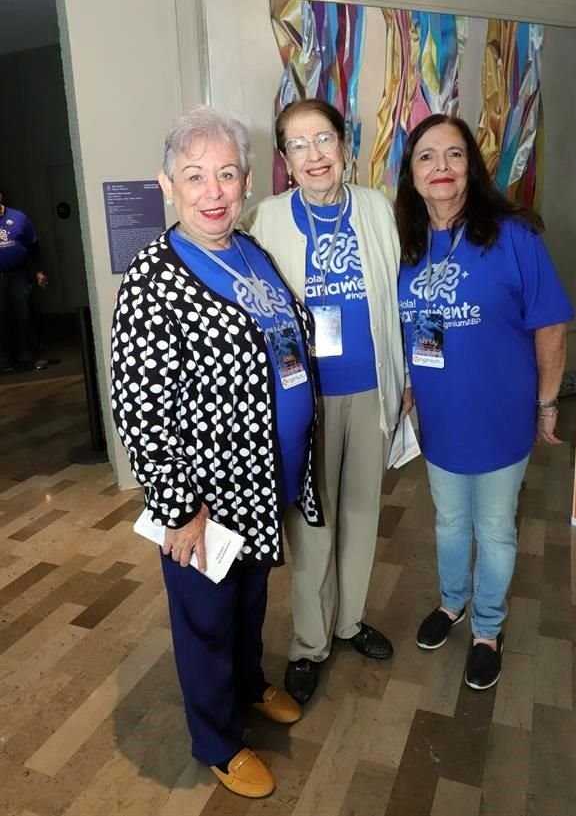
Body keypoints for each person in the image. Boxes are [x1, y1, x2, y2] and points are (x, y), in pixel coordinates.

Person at [110, 106, 324, 799]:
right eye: (194, 175)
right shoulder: (154, 280)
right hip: (207, 499)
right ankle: (219, 739)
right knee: (205, 619)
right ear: (167, 185)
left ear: (247, 179)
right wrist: (180, 510)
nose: (213, 191)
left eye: (226, 174)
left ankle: (251, 683)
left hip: (262, 484)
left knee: (249, 601)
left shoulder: (248, 248)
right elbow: (141, 410)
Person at [396, 114, 573, 691]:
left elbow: (550, 326)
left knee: (494, 527)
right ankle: (452, 604)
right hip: (440, 417)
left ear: (471, 165)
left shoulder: (511, 235)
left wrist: (547, 404)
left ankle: (488, 629)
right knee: (449, 519)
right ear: (412, 173)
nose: (440, 168)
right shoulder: (407, 243)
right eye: (426, 157)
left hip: (500, 415)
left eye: (453, 155)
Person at [244, 98, 409, 705]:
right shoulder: (266, 220)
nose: (313, 155)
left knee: (363, 510)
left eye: (323, 141)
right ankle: (310, 642)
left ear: (344, 145)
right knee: (312, 523)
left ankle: (349, 621)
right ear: (285, 159)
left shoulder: (375, 209)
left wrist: (409, 378)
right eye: (298, 145)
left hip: (369, 389)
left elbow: (398, 298)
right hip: (303, 401)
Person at [0, 191, 48, 372]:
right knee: (2, 318)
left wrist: (40, 271)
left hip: (18, 273)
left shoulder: (19, 218)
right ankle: (7, 361)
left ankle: (36, 356)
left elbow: (34, 246)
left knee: (25, 314)